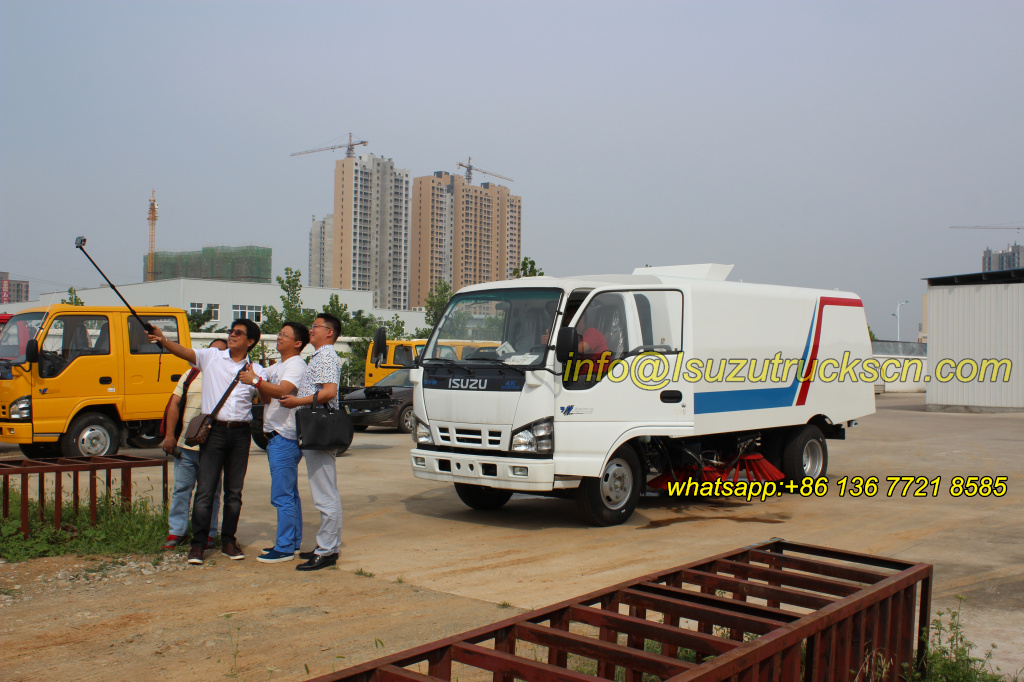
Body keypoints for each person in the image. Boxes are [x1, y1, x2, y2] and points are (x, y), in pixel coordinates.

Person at [147, 319, 263, 565]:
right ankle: (198, 545)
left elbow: (267, 396)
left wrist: (255, 380)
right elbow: (184, 351)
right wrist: (163, 339)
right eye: (231, 331)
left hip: (241, 434)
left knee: (234, 492)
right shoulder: (212, 357)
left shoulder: (257, 369)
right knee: (205, 490)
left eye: (238, 333)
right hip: (215, 432)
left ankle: (228, 541)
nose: (232, 336)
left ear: (250, 341)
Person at [239, 322, 309, 564]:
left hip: (285, 435)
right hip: (275, 435)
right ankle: (293, 542)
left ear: (297, 343)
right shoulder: (278, 365)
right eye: (279, 333)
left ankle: (286, 546)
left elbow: (283, 391)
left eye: (285, 335)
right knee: (289, 494)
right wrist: (258, 380)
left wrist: (257, 381)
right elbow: (267, 397)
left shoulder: (296, 365)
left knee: (282, 495)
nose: (279, 337)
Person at [279, 313, 343, 571]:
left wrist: (296, 402)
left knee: (324, 492)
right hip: (312, 429)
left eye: (315, 326)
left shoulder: (327, 355)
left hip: (319, 430)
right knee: (324, 490)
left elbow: (329, 392)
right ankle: (328, 545)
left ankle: (327, 551)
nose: (311, 330)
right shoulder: (318, 356)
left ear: (329, 332)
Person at [160, 338, 227, 551]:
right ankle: (176, 532)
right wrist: (170, 436)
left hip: (213, 447)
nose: (213, 356)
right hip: (186, 445)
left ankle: (208, 533)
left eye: (219, 352)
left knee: (211, 493)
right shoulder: (190, 375)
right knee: (181, 489)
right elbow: (174, 405)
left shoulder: (228, 378)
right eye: (211, 351)